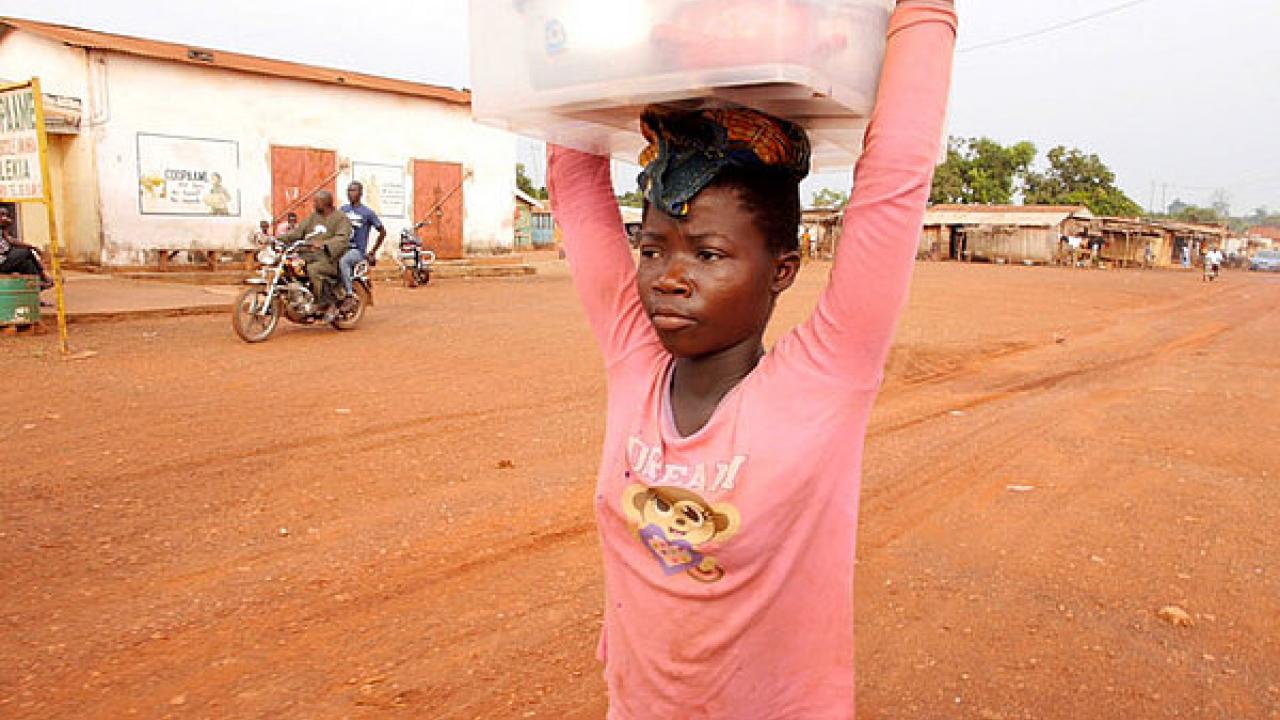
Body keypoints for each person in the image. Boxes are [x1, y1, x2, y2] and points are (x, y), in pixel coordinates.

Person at [545, 2, 955, 717]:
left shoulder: (823, 381)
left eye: (708, 254)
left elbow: (896, 177)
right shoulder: (635, 359)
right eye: (652, 249)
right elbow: (575, 184)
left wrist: (926, 12)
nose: (669, 277)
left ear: (782, 269)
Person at [277, 191, 351, 322]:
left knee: (314, 269)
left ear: (326, 203)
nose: (314, 204)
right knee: (290, 265)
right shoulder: (313, 217)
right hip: (309, 254)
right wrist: (276, 239)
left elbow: (342, 238)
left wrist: (324, 244)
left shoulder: (341, 218)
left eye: (316, 202)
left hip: (330, 258)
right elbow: (297, 233)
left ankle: (327, 303)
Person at [338, 181, 386, 309]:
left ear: (361, 193)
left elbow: (382, 231)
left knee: (344, 262)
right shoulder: (343, 210)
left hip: (357, 251)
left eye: (354, 190)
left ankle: (349, 295)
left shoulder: (367, 213)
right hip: (341, 248)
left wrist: (372, 251)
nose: (350, 193)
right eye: (349, 190)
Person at [0, 207, 53, 291]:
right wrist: (33, 248)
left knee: (28, 264)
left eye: (6, 215)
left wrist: (5, 228)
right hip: (2, 261)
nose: (5, 218)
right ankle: (44, 275)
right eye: (2, 215)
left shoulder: (2, 229)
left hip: (7, 258)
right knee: (25, 252)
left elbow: (10, 240)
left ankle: (35, 294)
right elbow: (9, 244)